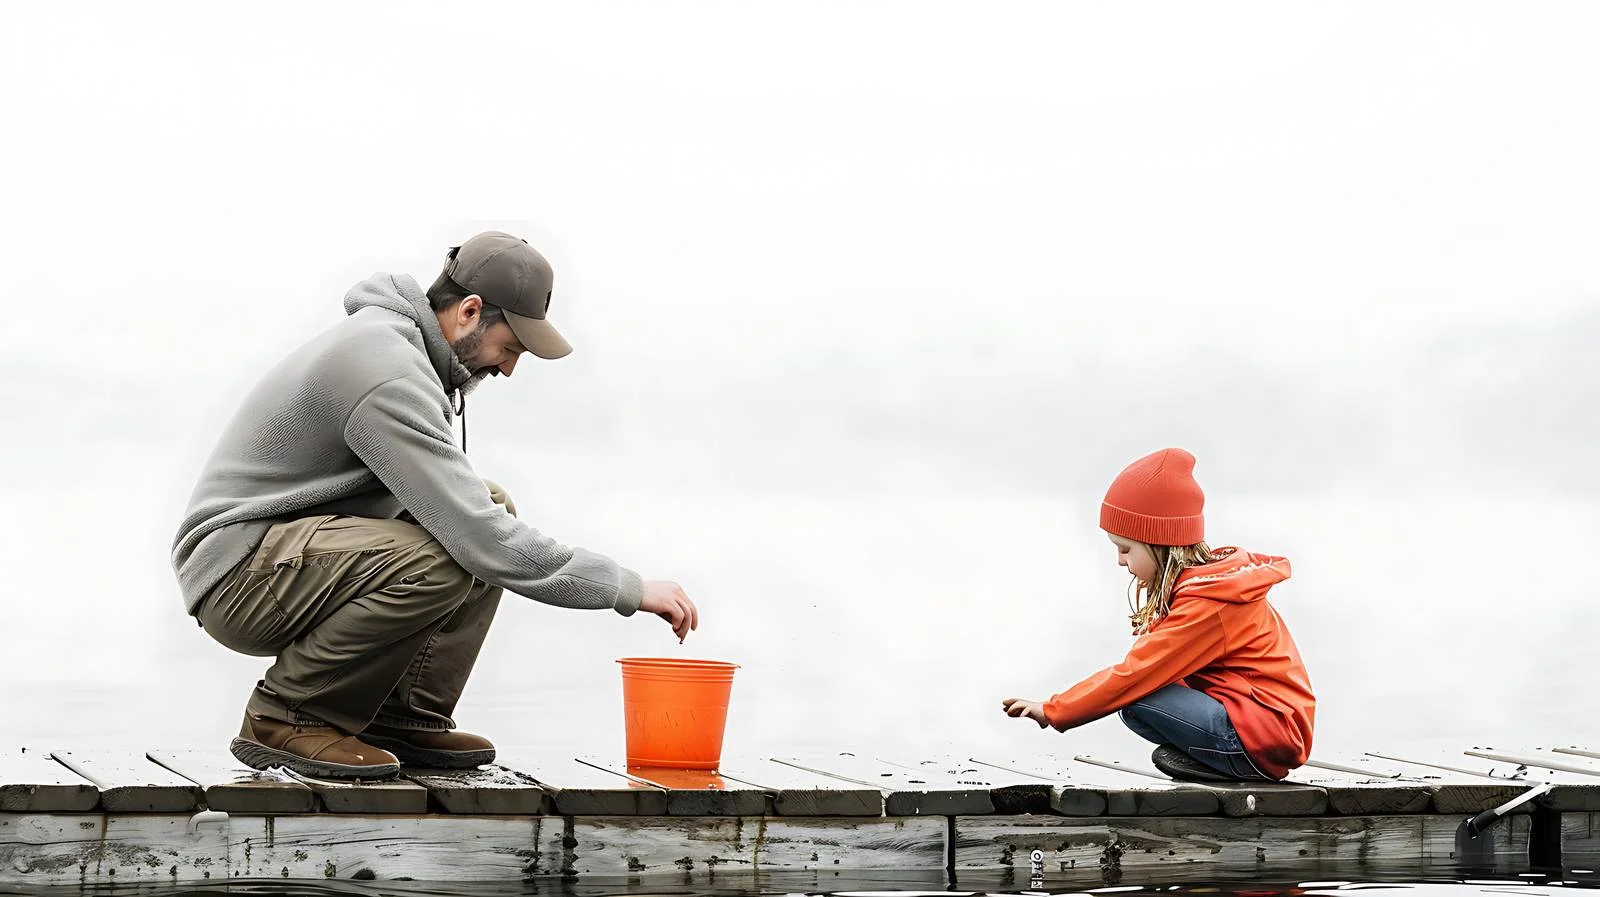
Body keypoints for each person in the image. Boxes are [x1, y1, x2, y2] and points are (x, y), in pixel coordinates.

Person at [172, 231, 698, 780]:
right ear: (470, 312)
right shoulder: (386, 371)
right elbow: (480, 537)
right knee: (454, 552)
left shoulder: (400, 351)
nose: (509, 369)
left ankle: (397, 715)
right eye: (511, 348)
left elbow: (479, 515)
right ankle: (286, 716)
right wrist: (625, 588)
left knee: (491, 503)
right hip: (238, 577)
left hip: (281, 559)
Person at [1001, 448, 1314, 782]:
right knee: (1139, 700)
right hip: (1261, 727)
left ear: (1161, 542)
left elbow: (1137, 673)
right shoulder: (1207, 586)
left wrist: (1053, 709)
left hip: (1264, 734)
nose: (1120, 561)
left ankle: (1235, 763)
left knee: (1137, 697)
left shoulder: (1210, 604)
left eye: (1125, 549)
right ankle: (1220, 761)